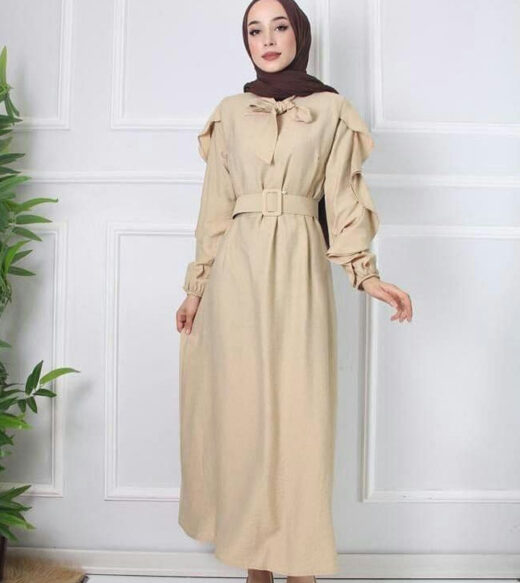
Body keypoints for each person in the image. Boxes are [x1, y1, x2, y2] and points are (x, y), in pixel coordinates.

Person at [175, 0, 413, 581]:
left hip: (301, 267)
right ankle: (256, 564)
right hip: (236, 273)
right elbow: (214, 208)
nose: (268, 39)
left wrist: (366, 274)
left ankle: (299, 564)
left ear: (299, 34)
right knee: (243, 415)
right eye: (255, 30)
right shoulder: (231, 112)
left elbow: (343, 198)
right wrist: (197, 287)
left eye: (279, 26)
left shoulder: (331, 110)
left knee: (301, 417)